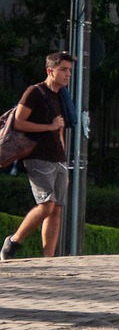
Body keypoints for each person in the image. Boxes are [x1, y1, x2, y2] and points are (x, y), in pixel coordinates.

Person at [2, 51, 75, 261]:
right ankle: (13, 242)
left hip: (58, 158)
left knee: (56, 210)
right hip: (37, 156)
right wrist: (48, 127)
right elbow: (18, 122)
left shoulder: (62, 95)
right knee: (46, 205)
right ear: (49, 70)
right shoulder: (34, 92)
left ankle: (48, 260)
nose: (67, 74)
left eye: (69, 70)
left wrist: (62, 154)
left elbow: (60, 127)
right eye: (63, 70)